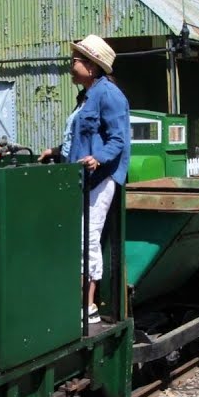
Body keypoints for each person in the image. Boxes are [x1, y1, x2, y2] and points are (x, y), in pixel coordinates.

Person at [65, 34, 130, 324]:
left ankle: (88, 306)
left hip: (101, 177)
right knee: (79, 237)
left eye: (76, 60)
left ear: (91, 66)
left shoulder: (109, 94)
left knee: (87, 237)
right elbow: (82, 138)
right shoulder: (87, 95)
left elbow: (118, 139)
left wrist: (98, 158)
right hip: (83, 177)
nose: (71, 65)